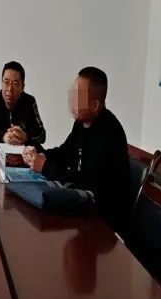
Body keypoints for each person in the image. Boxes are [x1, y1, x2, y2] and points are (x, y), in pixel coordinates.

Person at [22, 67, 130, 235]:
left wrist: (45, 167)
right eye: (72, 93)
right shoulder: (81, 122)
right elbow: (65, 152)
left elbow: (85, 180)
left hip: (104, 221)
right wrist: (39, 155)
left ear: (95, 105)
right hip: (84, 207)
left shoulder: (109, 133)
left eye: (78, 96)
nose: (71, 100)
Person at [0, 61, 46, 146]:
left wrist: (26, 137)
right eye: (6, 82)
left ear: (22, 87)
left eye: (15, 84)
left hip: (24, 153)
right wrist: (3, 136)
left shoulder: (29, 102)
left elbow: (42, 135)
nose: (9, 89)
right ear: (1, 83)